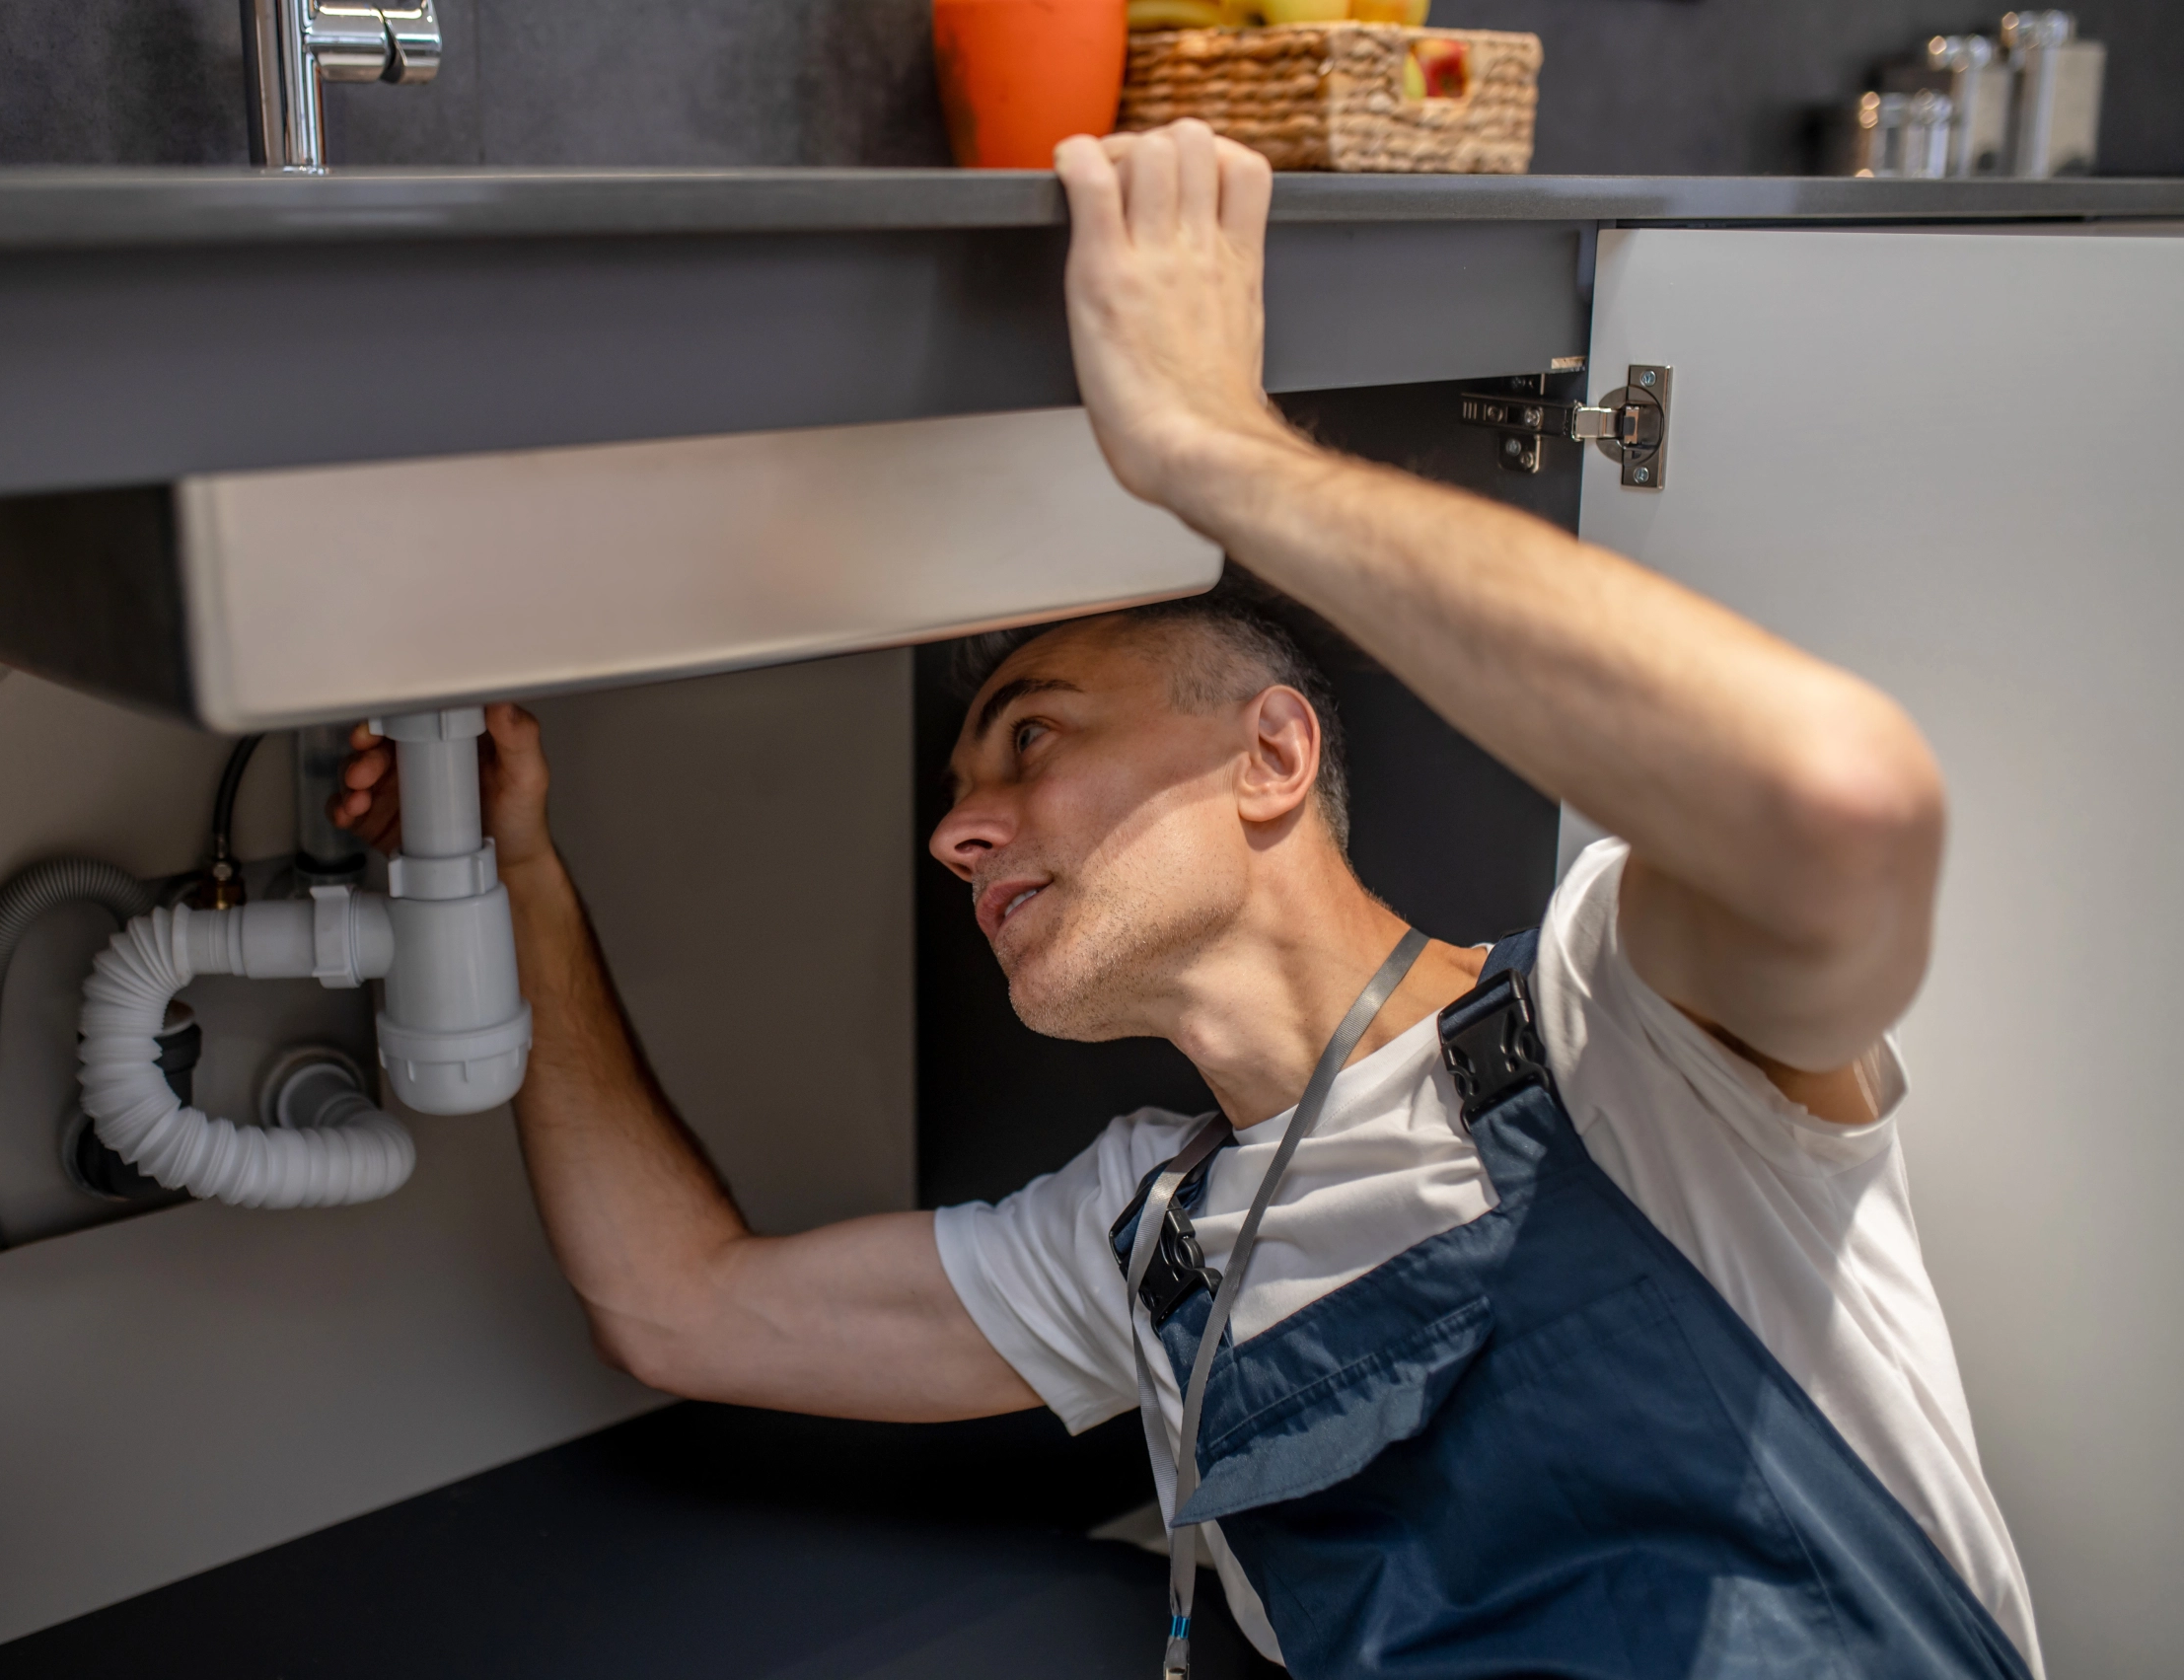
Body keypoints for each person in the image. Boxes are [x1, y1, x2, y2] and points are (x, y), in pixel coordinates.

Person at [332, 122, 2039, 1678]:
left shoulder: (1626, 1039)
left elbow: (1836, 799)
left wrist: (1211, 452)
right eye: (955, 798)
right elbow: (676, 1302)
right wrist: (520, 871)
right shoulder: (1137, 1243)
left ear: (1271, 757)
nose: (957, 833)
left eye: (1030, 741)